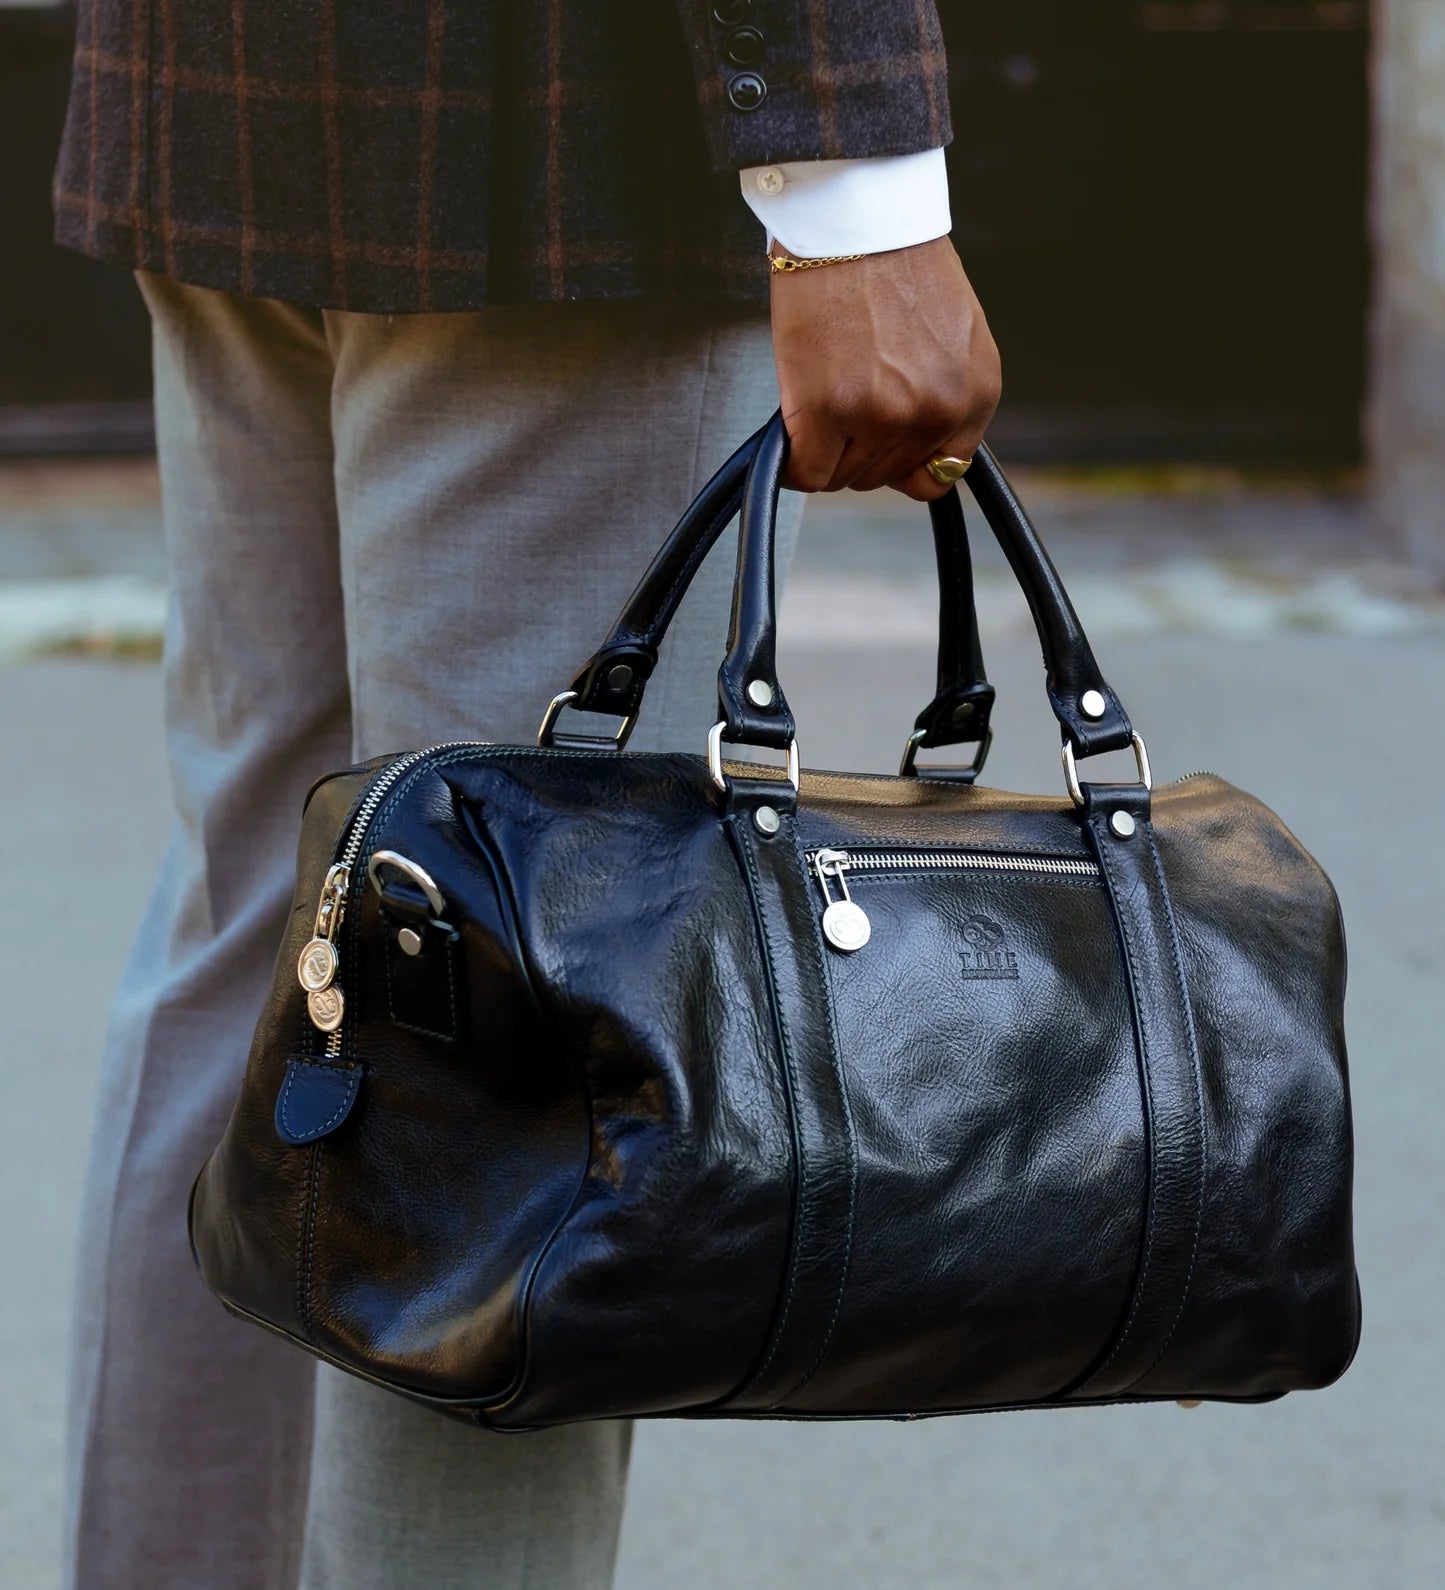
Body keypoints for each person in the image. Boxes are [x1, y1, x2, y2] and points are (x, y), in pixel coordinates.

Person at [51, 3, 1001, 1586]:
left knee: (273, 932)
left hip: (228, 89)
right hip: (555, 136)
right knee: (514, 1027)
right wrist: (854, 177)